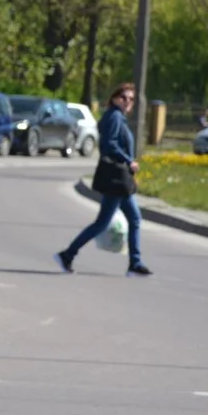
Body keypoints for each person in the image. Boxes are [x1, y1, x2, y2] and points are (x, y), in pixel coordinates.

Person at [55, 83, 153, 277]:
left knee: (134, 219)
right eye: (124, 98)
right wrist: (128, 160)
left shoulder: (117, 117)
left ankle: (135, 262)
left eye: (131, 99)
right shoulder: (115, 117)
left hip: (121, 179)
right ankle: (67, 254)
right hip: (116, 179)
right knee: (102, 223)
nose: (127, 102)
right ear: (115, 98)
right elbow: (109, 145)